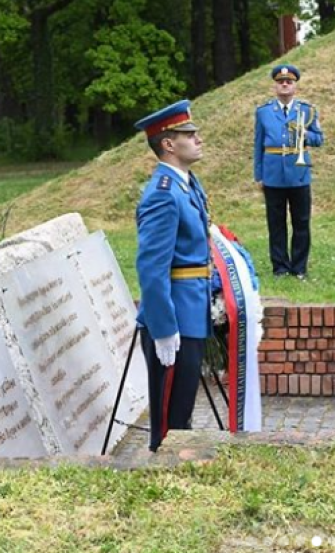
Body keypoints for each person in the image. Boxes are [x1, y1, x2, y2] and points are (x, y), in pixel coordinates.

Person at [134, 100, 211, 452]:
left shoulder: (185, 185)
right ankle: (163, 474)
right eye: (189, 134)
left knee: (183, 409)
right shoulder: (163, 195)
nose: (198, 139)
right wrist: (164, 330)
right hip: (175, 318)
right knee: (170, 420)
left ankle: (180, 467)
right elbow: (152, 270)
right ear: (168, 144)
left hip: (191, 310)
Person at [253, 64, 324, 280]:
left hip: (298, 173)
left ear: (295, 86)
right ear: (275, 86)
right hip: (273, 174)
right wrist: (259, 174)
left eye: (289, 82)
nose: (285, 84)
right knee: (276, 224)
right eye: (281, 82)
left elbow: (319, 139)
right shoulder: (264, 112)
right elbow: (258, 145)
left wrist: (305, 134)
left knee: (301, 222)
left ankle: (299, 268)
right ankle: (280, 267)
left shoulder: (307, 111)